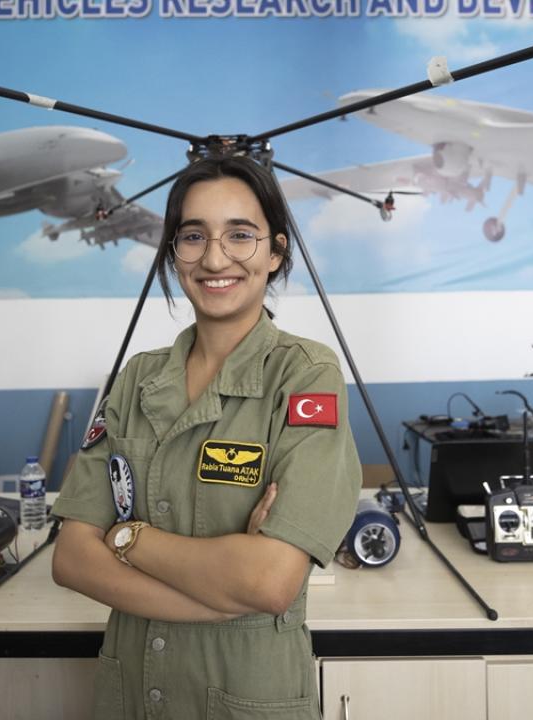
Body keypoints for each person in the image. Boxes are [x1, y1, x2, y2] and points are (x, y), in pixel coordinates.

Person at [51, 156, 362, 719]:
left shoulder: (305, 376)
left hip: (247, 696)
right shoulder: (137, 379)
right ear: (174, 253)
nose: (215, 259)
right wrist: (219, 600)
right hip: (131, 697)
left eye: (240, 235)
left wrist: (126, 537)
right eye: (193, 236)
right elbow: (71, 559)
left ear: (276, 251)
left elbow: (268, 582)